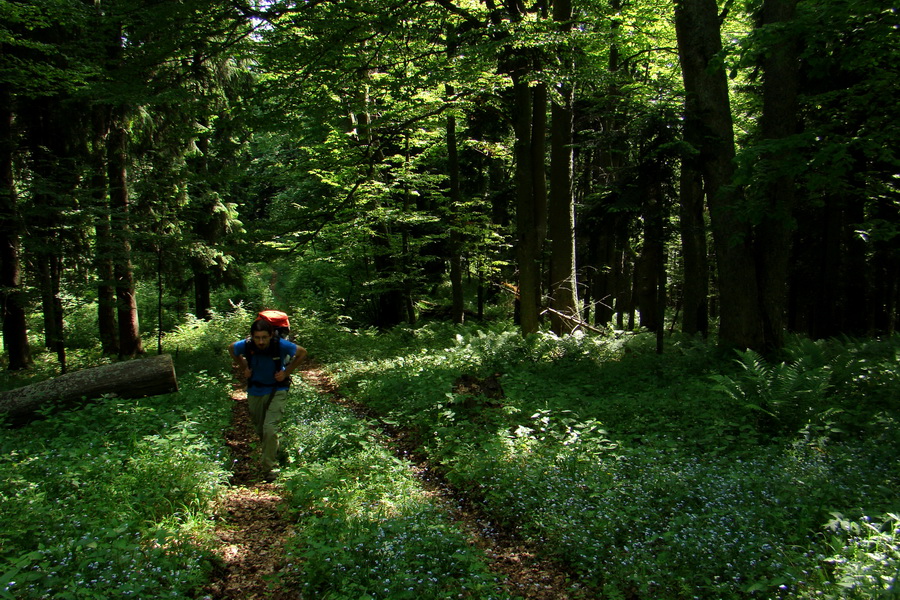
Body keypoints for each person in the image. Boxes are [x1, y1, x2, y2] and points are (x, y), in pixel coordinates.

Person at [229, 318, 307, 481]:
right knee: (261, 430)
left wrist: (286, 372)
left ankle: (269, 468)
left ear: (271, 335)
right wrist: (244, 367)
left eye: (264, 337)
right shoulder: (246, 345)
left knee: (269, 428)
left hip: (277, 389)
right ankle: (276, 449)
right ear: (251, 336)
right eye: (257, 338)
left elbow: (302, 353)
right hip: (255, 389)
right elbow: (232, 349)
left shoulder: (280, 344)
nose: (261, 341)